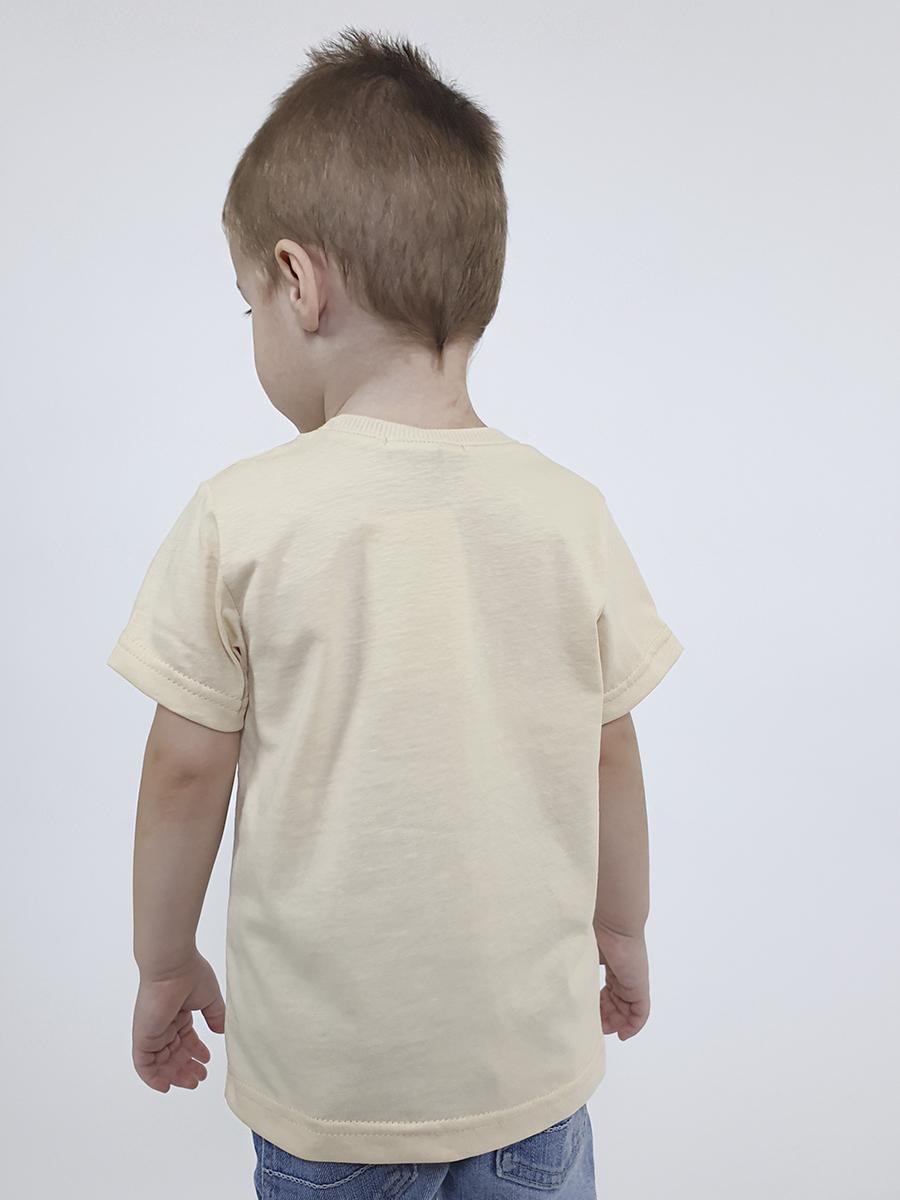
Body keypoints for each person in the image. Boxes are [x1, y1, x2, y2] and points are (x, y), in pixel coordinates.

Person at [106, 27, 683, 1200]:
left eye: (247, 304)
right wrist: (621, 930)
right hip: (531, 1080)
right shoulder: (568, 513)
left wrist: (164, 963)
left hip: (333, 1101)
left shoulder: (240, 517)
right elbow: (610, 751)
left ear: (299, 284)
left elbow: (182, 770)